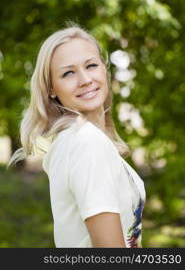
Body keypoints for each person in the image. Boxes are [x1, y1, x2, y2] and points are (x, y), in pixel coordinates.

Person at [10, 23, 146, 248]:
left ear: (104, 69)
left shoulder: (77, 140)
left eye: (91, 65)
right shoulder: (86, 142)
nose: (85, 79)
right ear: (51, 89)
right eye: (68, 73)